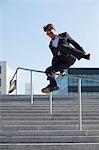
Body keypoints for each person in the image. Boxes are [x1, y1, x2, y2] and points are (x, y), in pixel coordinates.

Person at [41, 23, 90, 93]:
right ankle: (53, 85)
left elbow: (75, 44)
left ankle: (82, 55)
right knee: (48, 70)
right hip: (63, 61)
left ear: (54, 30)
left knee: (61, 46)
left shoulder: (64, 35)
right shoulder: (51, 45)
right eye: (48, 34)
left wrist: (84, 53)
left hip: (70, 57)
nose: (50, 35)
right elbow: (55, 57)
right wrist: (61, 70)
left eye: (51, 33)